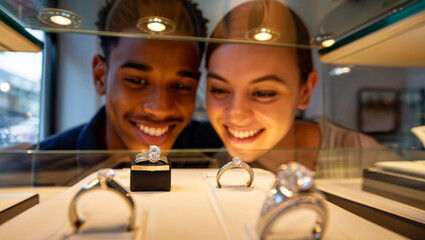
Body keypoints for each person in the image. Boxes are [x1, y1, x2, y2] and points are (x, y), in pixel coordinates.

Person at [205, 0, 398, 177]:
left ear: (305, 91)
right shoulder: (221, 168)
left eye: (264, 93)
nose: (236, 113)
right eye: (220, 90)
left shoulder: (361, 157)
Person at [36, 0, 222, 152]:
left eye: (181, 86)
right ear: (101, 77)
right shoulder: (41, 167)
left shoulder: (218, 148)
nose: (160, 109)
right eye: (137, 81)